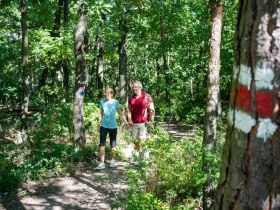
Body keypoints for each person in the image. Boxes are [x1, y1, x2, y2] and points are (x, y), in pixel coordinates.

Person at [96, 88, 127, 170]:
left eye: (109, 93)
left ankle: (112, 161)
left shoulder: (115, 102)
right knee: (102, 144)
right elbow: (100, 113)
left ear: (112, 94)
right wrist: (98, 124)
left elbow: (121, 113)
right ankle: (102, 163)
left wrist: (126, 122)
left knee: (113, 144)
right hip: (104, 126)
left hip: (113, 126)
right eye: (106, 93)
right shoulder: (102, 101)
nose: (107, 94)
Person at [127, 81, 155, 160]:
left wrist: (151, 121)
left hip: (144, 123)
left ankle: (146, 159)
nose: (133, 88)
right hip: (134, 123)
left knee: (143, 140)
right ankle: (137, 158)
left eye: (135, 87)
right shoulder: (131, 97)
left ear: (140, 87)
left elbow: (152, 110)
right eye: (133, 87)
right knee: (136, 141)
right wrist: (129, 119)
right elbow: (129, 110)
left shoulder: (147, 96)